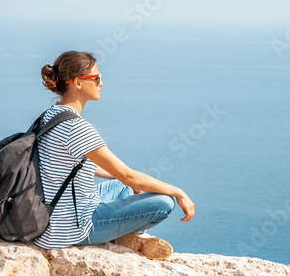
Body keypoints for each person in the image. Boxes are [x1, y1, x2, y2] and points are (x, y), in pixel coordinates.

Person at [34, 51, 195, 259]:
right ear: (77, 83)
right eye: (96, 78)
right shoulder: (76, 127)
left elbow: (80, 164)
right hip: (74, 228)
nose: (101, 83)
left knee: (125, 185)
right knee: (164, 202)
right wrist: (179, 192)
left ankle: (127, 234)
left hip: (54, 217)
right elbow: (129, 176)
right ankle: (131, 235)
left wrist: (125, 179)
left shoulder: (50, 116)